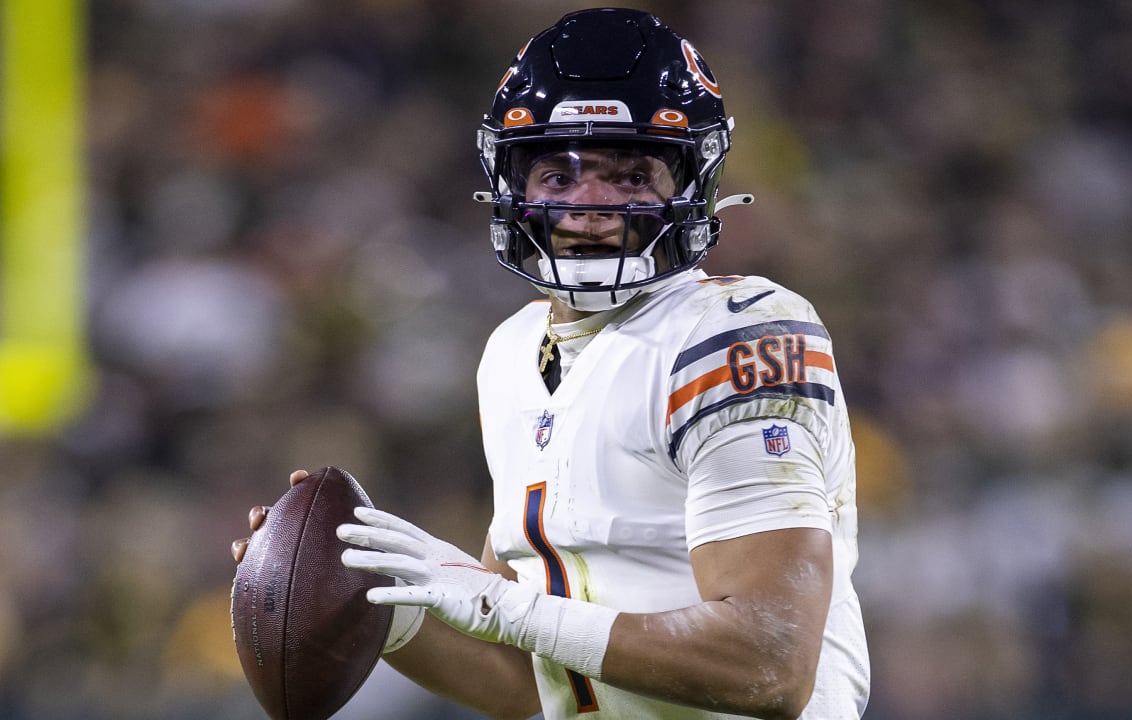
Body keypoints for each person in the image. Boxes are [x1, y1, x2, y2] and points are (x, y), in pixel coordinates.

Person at [234, 8, 869, 719]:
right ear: (511, 183)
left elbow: (769, 664)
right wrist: (380, 598)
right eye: (558, 176)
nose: (590, 207)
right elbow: (518, 676)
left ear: (694, 181)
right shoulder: (512, 353)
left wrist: (505, 605)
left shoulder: (736, 331)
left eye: (631, 177)